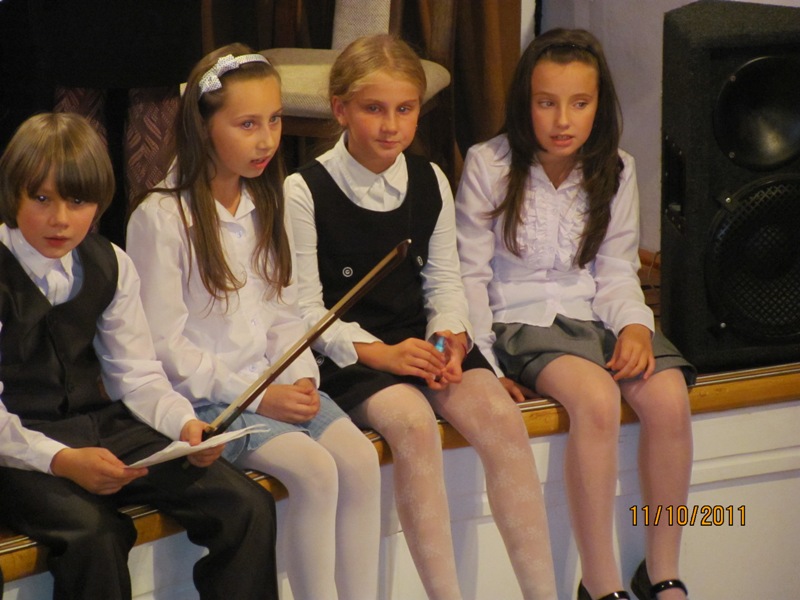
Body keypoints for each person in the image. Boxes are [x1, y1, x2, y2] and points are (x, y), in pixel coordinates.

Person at [286, 34, 557, 600]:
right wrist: (382, 355)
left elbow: (444, 282)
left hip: (421, 339)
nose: (391, 125)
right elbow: (307, 311)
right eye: (374, 109)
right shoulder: (303, 190)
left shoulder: (429, 177)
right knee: (411, 422)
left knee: (502, 419)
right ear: (340, 109)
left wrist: (448, 337)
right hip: (353, 355)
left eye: (405, 109)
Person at [126, 43, 381, 600]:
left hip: (273, 384)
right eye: (247, 124)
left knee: (361, 458)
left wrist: (301, 377)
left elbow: (283, 312)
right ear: (203, 127)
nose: (266, 139)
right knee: (314, 469)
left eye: (274, 120)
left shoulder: (267, 201)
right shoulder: (162, 217)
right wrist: (261, 397)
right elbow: (165, 348)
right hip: (211, 402)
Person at [455, 28, 695, 600]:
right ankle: (600, 581)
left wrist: (634, 326)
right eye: (546, 103)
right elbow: (470, 276)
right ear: (525, 103)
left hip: (594, 316)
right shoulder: (489, 163)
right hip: (521, 322)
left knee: (669, 396)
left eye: (580, 103)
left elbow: (616, 269)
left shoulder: (617, 167)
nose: (563, 120)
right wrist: (485, 364)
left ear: (599, 104)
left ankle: (661, 571)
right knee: (596, 397)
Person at [0, 112, 278, 600]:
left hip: (100, 427)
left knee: (245, 504)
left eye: (77, 201)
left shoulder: (110, 262)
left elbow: (136, 374)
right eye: (41, 199)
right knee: (96, 535)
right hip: (18, 446)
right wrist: (62, 460)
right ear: (12, 195)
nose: (60, 219)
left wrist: (185, 427)